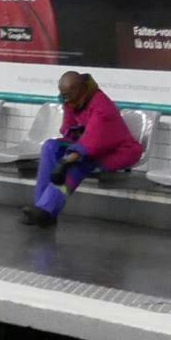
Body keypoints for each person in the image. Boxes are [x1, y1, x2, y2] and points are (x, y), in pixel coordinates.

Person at [24, 68, 143, 225]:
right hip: (90, 146)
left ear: (80, 90)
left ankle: (47, 209)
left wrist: (64, 163)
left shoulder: (102, 108)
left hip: (118, 151)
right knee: (50, 147)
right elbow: (68, 128)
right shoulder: (73, 100)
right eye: (63, 95)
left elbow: (91, 145)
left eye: (67, 95)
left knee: (77, 164)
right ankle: (42, 208)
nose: (65, 100)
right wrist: (75, 132)